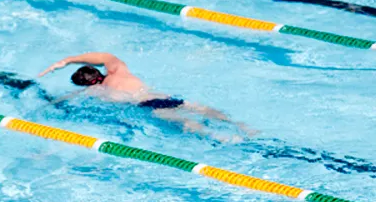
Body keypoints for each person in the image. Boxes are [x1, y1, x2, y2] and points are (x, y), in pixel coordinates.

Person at [39, 52, 252, 138]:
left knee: (185, 123)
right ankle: (242, 126)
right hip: (164, 97)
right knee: (200, 109)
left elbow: (67, 100)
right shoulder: (119, 71)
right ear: (97, 72)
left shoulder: (95, 91)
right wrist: (67, 60)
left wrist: (49, 104)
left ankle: (218, 137)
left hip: (150, 106)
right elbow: (105, 55)